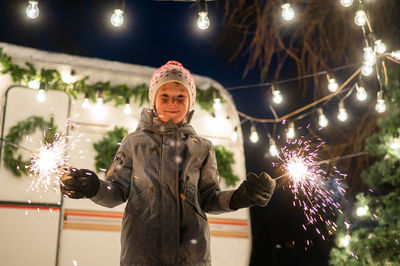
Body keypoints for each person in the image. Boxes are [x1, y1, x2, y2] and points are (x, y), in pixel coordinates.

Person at [60, 60, 276, 266]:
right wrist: (93, 187)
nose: (173, 102)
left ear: (190, 102)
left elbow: (209, 199)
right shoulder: (134, 144)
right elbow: (116, 192)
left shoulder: (202, 148)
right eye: (165, 96)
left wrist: (239, 198)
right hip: (142, 256)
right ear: (154, 100)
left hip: (191, 257)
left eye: (180, 96)